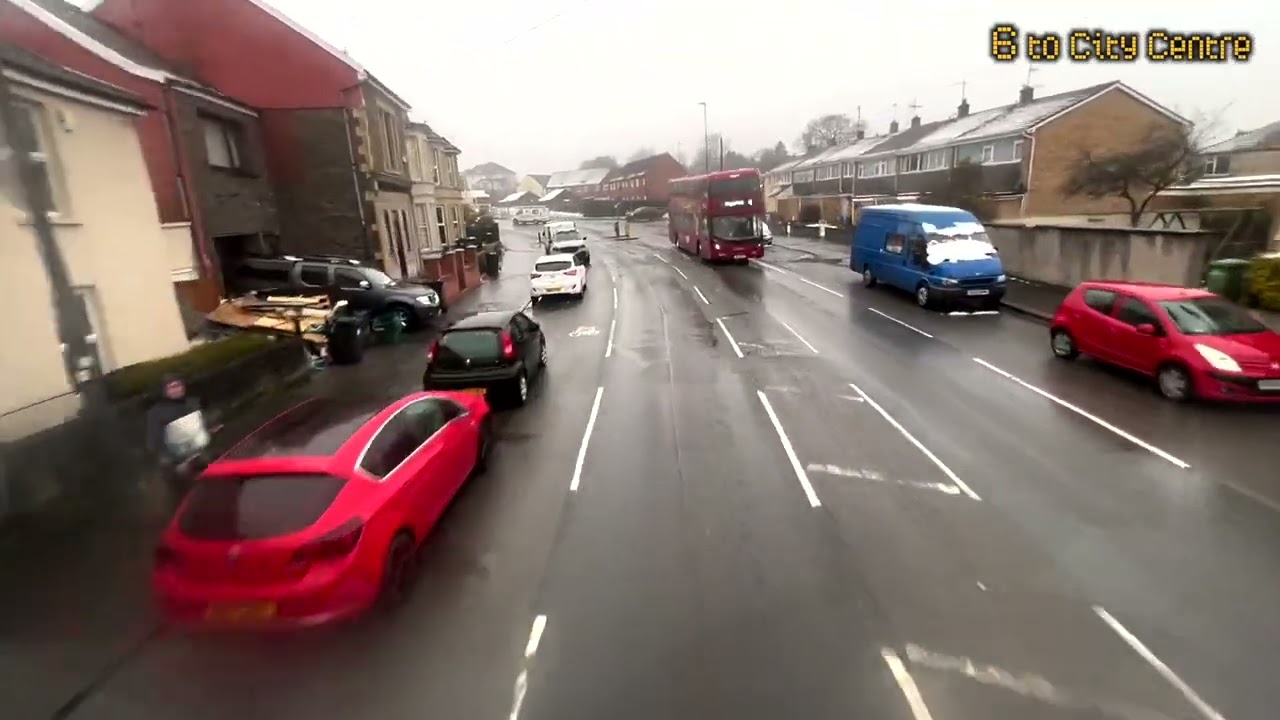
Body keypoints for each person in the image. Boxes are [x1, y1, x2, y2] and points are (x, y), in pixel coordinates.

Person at [146, 374, 210, 500]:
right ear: (165, 391)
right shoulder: (157, 412)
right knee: (185, 498)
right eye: (171, 387)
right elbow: (154, 441)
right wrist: (173, 461)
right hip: (175, 463)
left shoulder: (193, 403)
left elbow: (204, 425)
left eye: (178, 385)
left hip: (200, 456)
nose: (176, 389)